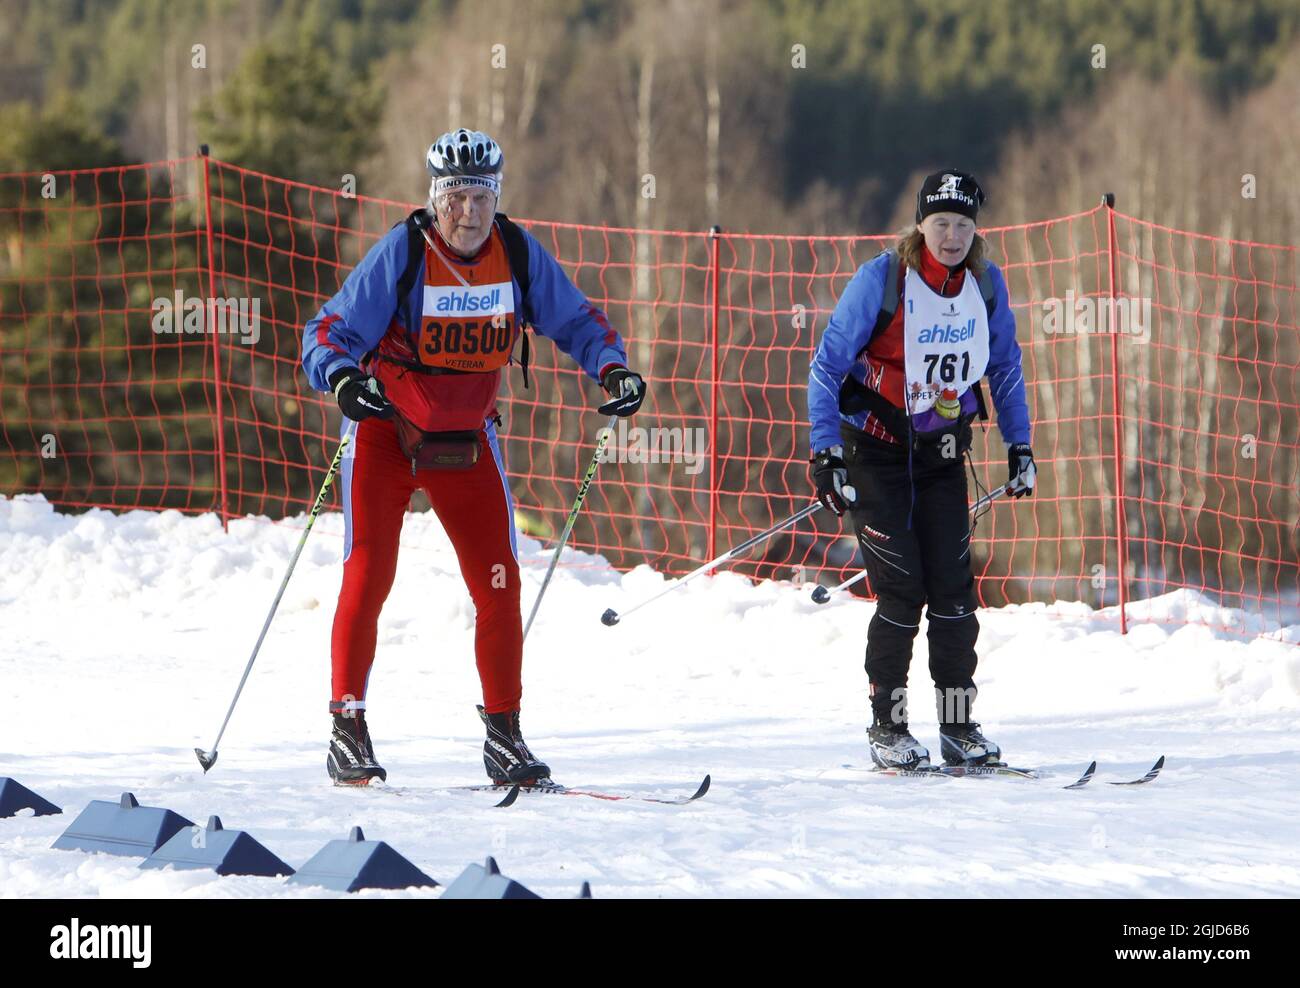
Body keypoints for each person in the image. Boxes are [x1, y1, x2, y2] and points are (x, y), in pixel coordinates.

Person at [301, 129, 646, 786]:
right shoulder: (405, 250)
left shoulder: (514, 251)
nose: (468, 211)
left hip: (466, 441)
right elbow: (329, 330)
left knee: (498, 584)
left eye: (481, 195)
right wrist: (342, 376)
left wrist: (614, 368)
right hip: (386, 436)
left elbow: (576, 319)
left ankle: (504, 736)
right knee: (369, 574)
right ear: (435, 198)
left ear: (497, 196)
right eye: (456, 195)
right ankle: (348, 726)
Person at [807, 169, 1036, 770]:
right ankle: (889, 725)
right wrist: (825, 452)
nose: (953, 235)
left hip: (939, 456)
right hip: (874, 454)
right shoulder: (881, 281)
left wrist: (1020, 446)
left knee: (954, 592)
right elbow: (827, 368)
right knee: (902, 589)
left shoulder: (984, 285)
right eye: (941, 223)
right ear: (920, 225)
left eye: (963, 224)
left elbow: (1005, 367)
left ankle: (959, 727)